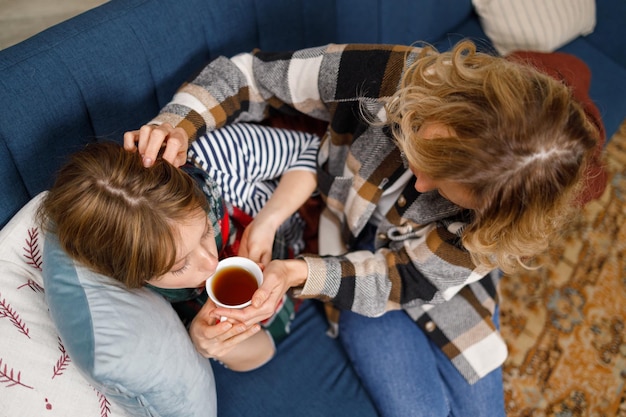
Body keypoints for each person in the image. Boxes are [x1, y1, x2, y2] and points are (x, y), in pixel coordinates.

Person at [124, 40, 602, 416]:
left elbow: (405, 279)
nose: (419, 181)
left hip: (421, 280)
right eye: (423, 150)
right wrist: (180, 123)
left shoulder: (501, 218)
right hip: (341, 250)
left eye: (446, 189)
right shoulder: (387, 76)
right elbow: (249, 76)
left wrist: (298, 274)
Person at [39, 121, 319, 371]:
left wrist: (268, 221)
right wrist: (207, 343)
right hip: (304, 294)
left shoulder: (216, 158)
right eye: (179, 266)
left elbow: (315, 150)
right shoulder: (152, 303)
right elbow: (265, 348)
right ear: (135, 276)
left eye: (205, 229)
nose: (211, 263)